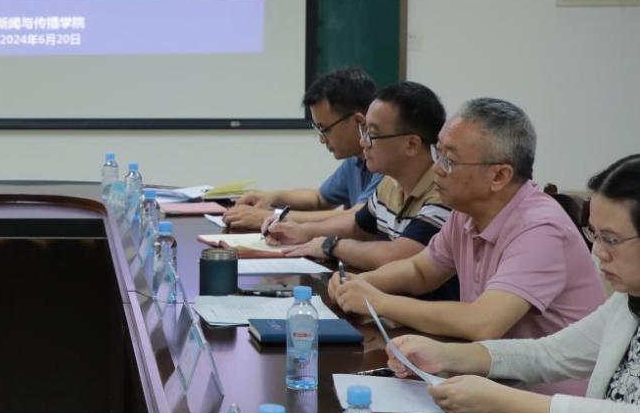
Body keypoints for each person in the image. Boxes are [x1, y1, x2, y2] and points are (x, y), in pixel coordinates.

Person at [386, 154, 639, 413]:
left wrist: (504, 403)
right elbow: (549, 354)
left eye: (611, 239)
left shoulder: (540, 226)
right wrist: (444, 355)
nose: (598, 252)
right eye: (595, 235)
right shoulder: (627, 302)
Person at [330, 97, 604, 345]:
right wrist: (359, 283)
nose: (437, 169)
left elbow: (482, 322)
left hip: (541, 385)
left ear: (499, 176)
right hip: (487, 372)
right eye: (438, 153)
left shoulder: (540, 230)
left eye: (449, 160)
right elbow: (420, 271)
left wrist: (378, 302)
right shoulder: (465, 213)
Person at [265, 82, 453, 284]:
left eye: (372, 134)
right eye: (364, 132)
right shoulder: (390, 183)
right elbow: (357, 226)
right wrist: (303, 232)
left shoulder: (443, 193)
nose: (363, 142)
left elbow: (398, 256)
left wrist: (332, 246)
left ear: (411, 144)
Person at [222, 67, 382, 231]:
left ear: (358, 122)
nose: (322, 139)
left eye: (325, 129)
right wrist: (272, 197)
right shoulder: (355, 160)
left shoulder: (386, 162)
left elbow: (357, 216)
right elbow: (320, 198)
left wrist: (270, 217)